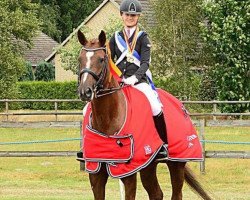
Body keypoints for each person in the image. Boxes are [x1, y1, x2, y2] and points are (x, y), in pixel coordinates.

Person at [109, 0, 168, 152]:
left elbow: (145, 63)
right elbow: (109, 60)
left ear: (138, 17)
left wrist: (135, 78)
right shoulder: (115, 37)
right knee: (91, 107)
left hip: (139, 81)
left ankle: (163, 144)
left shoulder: (143, 37)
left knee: (155, 106)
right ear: (121, 15)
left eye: (134, 15)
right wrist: (117, 78)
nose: (130, 17)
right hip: (120, 82)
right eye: (128, 14)